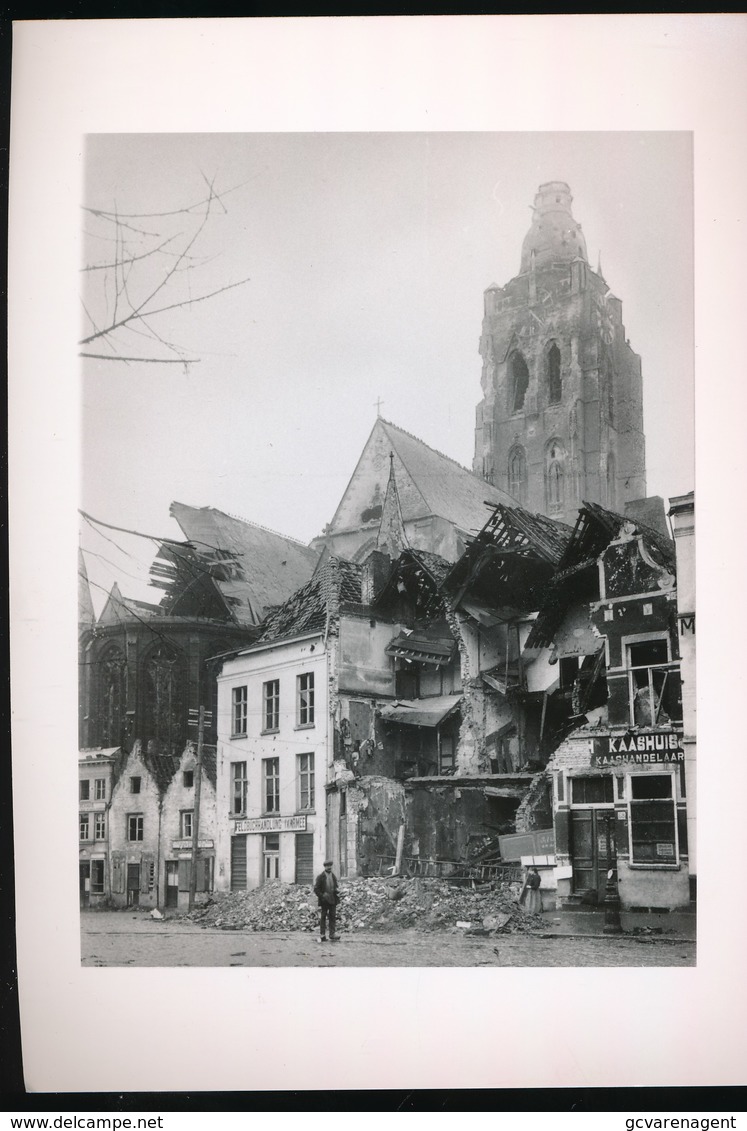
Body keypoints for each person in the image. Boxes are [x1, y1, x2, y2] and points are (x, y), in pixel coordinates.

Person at [314, 859, 341, 942]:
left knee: (332, 917)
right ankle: (322, 934)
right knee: (323, 917)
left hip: (332, 899)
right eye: (327, 866)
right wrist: (322, 896)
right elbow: (316, 889)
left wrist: (337, 891)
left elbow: (335, 887)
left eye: (330, 865)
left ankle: (332, 934)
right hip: (324, 901)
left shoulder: (333, 876)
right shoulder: (320, 877)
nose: (329, 867)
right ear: (325, 867)